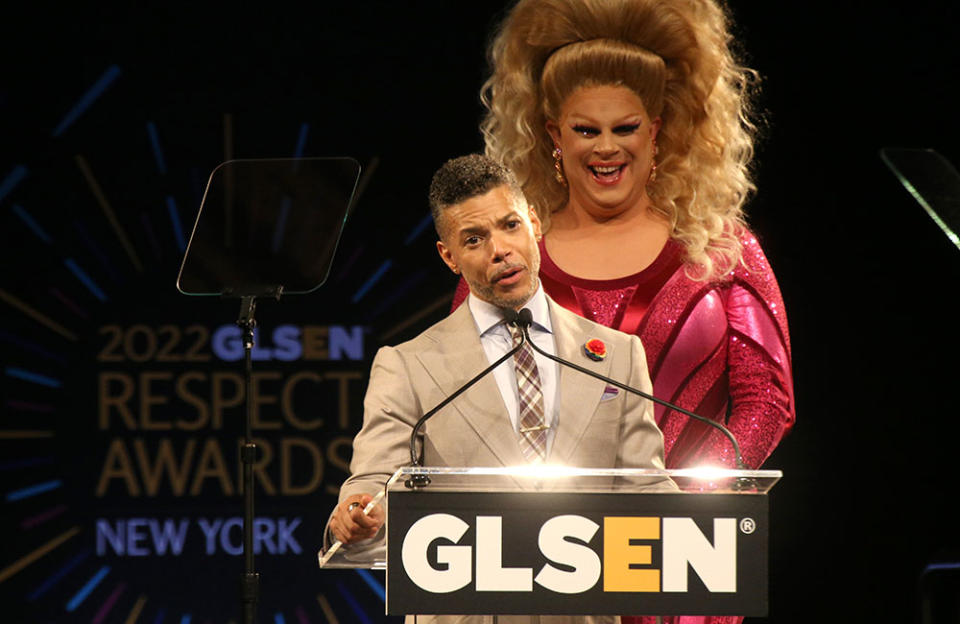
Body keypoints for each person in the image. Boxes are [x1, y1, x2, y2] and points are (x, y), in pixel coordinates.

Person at [448, 3, 795, 623]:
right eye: (586, 130)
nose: (606, 149)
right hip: (546, 564)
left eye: (625, 128)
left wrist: (677, 509)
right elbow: (464, 401)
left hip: (689, 561)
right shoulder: (507, 259)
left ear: (656, 130)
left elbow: (767, 400)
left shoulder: (724, 251)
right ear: (553, 134)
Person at [325, 154, 674, 624]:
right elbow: (375, 483)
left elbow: (644, 487)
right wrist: (357, 513)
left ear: (534, 224)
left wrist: (709, 526)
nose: (500, 250)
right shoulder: (407, 365)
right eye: (474, 239)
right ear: (449, 256)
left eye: (510, 225)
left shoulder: (616, 356)